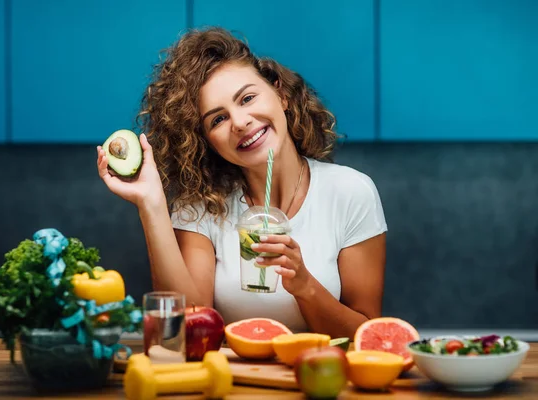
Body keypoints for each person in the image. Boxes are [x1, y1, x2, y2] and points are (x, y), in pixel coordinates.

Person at [97, 27, 387, 339]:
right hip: (232, 381)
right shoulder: (200, 205)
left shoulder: (350, 193)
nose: (239, 122)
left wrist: (305, 286)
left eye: (247, 98)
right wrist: (151, 204)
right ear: (208, 141)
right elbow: (185, 326)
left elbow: (367, 336)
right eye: (217, 119)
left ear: (281, 95)